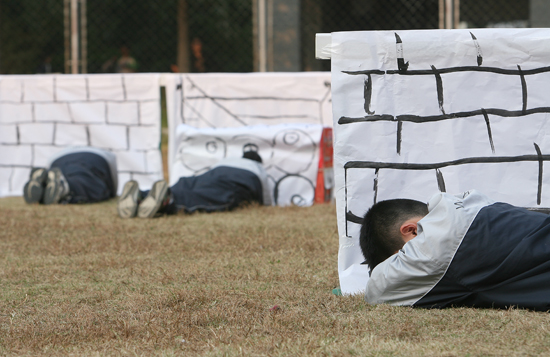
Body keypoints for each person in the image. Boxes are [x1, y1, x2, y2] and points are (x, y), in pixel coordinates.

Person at [360, 189, 550, 311]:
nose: (402, 261)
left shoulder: (433, 247)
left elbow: (377, 292)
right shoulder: (474, 202)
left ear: (411, 230)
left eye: (399, 256)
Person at [117, 151, 272, 219]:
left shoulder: (229, 159)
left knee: (189, 185)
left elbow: (211, 172)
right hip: (237, 182)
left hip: (213, 173)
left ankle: (142, 196)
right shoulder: (259, 168)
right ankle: (168, 201)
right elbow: (265, 199)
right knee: (203, 197)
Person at [24, 147, 118, 205]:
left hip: (57, 159)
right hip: (95, 157)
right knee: (87, 184)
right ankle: (64, 187)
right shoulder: (107, 154)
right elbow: (112, 182)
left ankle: (44, 189)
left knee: (62, 175)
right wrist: (111, 193)